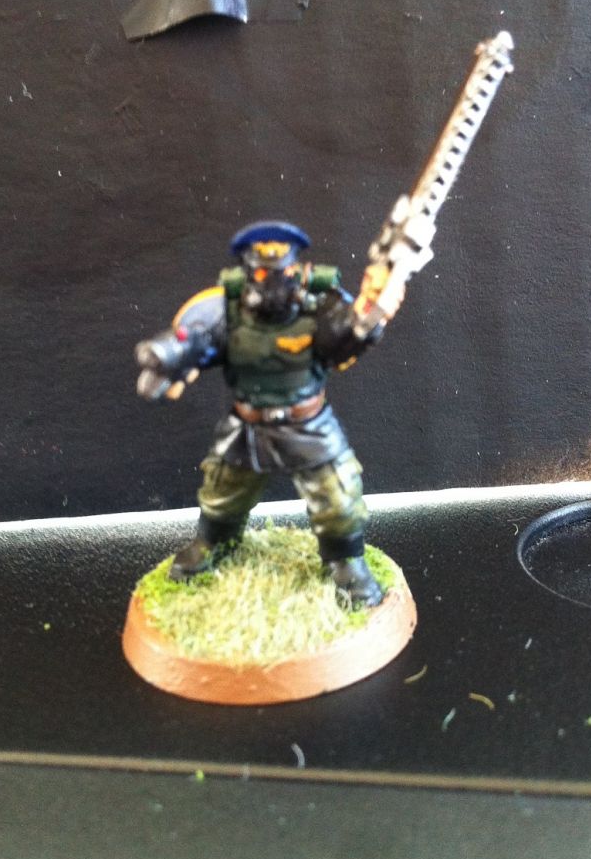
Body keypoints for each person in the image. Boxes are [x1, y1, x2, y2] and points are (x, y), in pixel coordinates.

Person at [135, 221, 401, 607]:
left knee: (338, 498)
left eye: (281, 271)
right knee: (222, 493)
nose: (272, 280)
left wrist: (372, 313)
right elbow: (195, 341)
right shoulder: (224, 309)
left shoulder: (321, 306)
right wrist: (168, 358)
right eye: (261, 273)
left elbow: (345, 340)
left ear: (296, 268)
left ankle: (345, 562)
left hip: (308, 424)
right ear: (248, 272)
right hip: (247, 425)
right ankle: (213, 543)